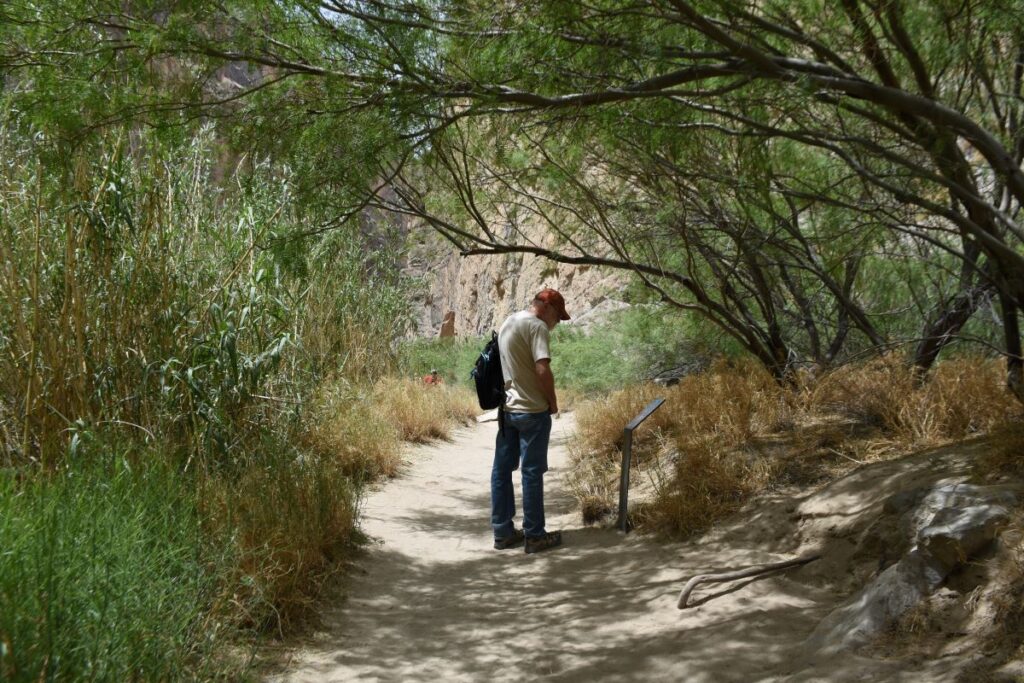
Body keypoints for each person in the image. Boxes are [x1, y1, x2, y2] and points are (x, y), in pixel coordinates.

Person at [491, 288, 570, 554]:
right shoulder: (537, 327)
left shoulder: (509, 322)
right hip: (533, 412)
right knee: (532, 473)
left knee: (501, 472)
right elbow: (541, 368)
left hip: (508, 411)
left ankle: (502, 532)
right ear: (546, 307)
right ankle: (534, 535)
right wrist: (553, 400)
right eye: (558, 316)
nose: (556, 323)